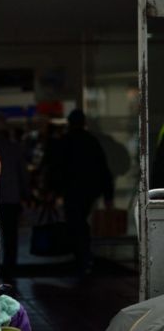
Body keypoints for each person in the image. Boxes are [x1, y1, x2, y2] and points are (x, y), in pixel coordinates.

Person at [50, 109, 114, 276]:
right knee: (80, 221)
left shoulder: (66, 141)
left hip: (72, 189)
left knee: (75, 221)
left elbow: (57, 168)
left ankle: (81, 257)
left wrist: (54, 190)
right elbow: (103, 169)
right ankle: (84, 257)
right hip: (90, 189)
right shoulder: (91, 141)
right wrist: (108, 195)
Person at [0, 113, 29, 278]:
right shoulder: (15, 148)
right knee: (11, 236)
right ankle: (10, 268)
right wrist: (26, 195)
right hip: (11, 198)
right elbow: (22, 174)